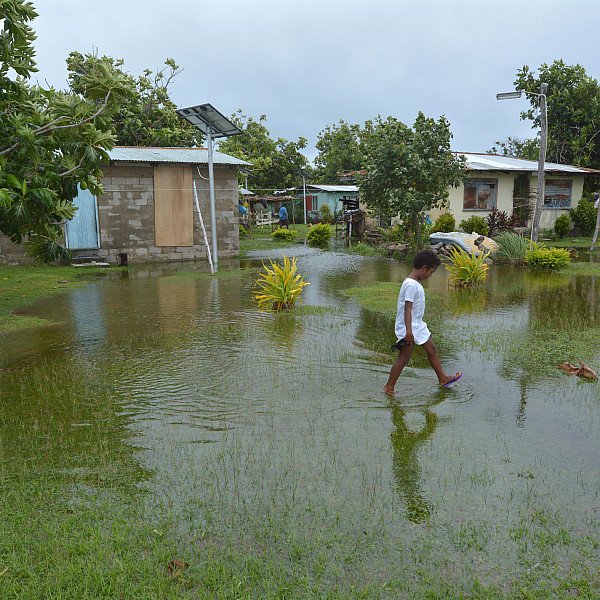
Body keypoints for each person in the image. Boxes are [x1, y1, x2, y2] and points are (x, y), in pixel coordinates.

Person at [382, 249, 462, 395]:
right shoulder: (411, 285)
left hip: (417, 325)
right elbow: (407, 309)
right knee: (403, 359)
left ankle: (443, 378)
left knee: (432, 349)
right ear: (424, 268)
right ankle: (388, 387)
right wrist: (408, 332)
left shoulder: (415, 283)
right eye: (431, 272)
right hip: (409, 328)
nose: (431, 276)